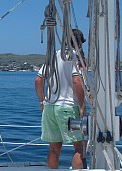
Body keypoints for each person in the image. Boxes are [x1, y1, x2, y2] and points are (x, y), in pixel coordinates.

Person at [35, 29, 87, 169]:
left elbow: (38, 80)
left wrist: (42, 101)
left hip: (50, 108)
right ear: (79, 44)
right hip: (68, 107)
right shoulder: (75, 57)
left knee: (54, 149)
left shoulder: (53, 56)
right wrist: (82, 106)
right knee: (79, 147)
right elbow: (76, 81)